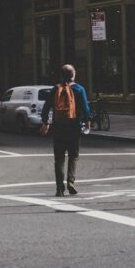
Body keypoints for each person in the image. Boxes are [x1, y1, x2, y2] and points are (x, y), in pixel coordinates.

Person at [40, 64, 92, 197]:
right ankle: (71, 181)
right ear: (73, 75)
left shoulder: (55, 89)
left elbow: (46, 107)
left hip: (58, 127)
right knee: (73, 156)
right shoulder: (79, 89)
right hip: (74, 127)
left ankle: (59, 189)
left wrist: (45, 122)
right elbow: (86, 108)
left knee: (59, 159)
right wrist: (87, 122)